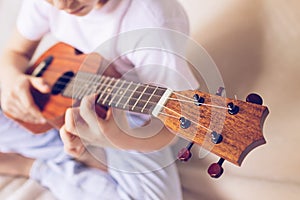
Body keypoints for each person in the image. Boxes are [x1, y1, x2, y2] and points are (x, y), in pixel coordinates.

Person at [0, 0, 199, 199]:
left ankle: (33, 165)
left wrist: (116, 139)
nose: (62, 5)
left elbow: (172, 127)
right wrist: (11, 80)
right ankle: (80, 152)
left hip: (133, 122)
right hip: (61, 105)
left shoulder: (152, 22)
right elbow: (15, 52)